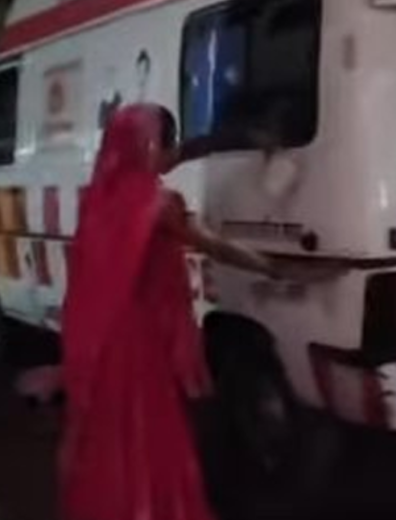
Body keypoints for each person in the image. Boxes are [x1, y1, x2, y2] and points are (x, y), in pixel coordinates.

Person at [59, 104, 282, 520]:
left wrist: (231, 139)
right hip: (139, 346)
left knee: (109, 438)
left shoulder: (99, 198)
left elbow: (174, 156)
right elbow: (216, 246)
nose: (171, 153)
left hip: (103, 342)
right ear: (146, 147)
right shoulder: (156, 204)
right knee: (150, 435)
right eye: (165, 142)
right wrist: (271, 266)